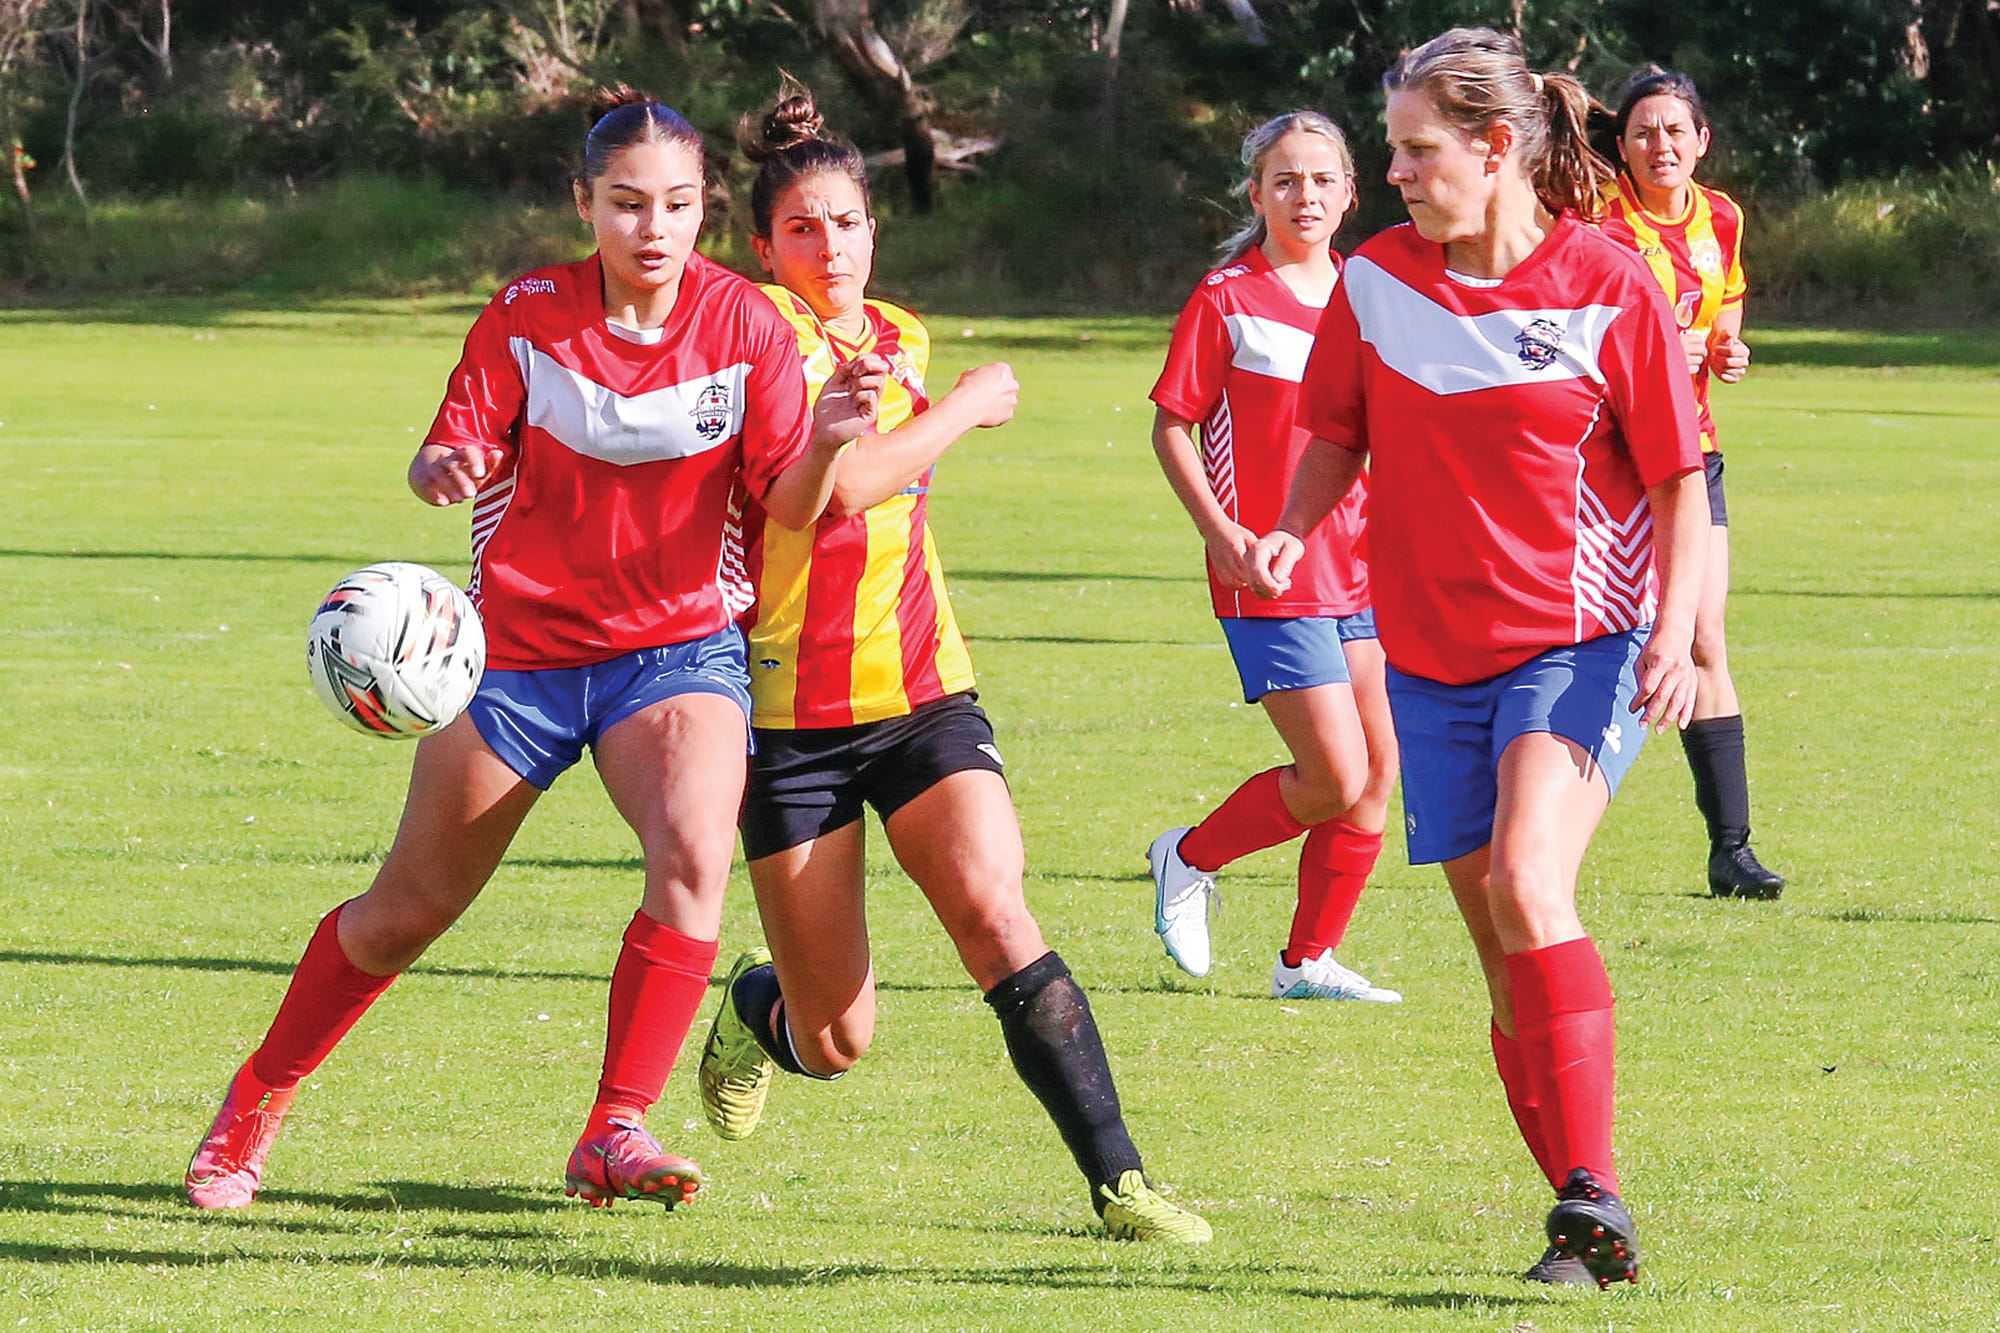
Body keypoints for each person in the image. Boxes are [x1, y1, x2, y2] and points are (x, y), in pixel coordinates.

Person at [184, 89, 883, 1212]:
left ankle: (616, 1127)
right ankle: (257, 1097)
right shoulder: (526, 315)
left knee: (694, 854)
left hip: (678, 650)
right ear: (583, 203)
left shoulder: (745, 324)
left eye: (677, 204)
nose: (652, 227)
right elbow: (445, 448)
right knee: (405, 911)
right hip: (514, 657)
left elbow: (789, 504)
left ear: (704, 207)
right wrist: (441, 469)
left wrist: (833, 436)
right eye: (626, 203)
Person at [692, 80, 1211, 1244]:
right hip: (787, 719)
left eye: (846, 223)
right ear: (763, 248)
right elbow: (839, 495)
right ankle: (757, 1004)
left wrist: (939, 400)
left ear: (874, 230)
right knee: (836, 1039)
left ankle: (1120, 1183)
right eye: (801, 228)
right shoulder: (759, 335)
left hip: (921, 691)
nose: (829, 246)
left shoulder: (899, 334)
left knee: (993, 908)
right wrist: (968, 406)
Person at [1246, 28, 1709, 1287]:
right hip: (1427, 662)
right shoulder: (1374, 282)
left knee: (1524, 880)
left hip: (1578, 642)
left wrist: (1676, 634)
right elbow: (1334, 436)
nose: (1391, 174)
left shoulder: (1607, 283)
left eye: (1413, 150)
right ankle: (1584, 1215)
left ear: (1496, 145)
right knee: (1503, 968)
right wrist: (1288, 528)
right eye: (1391, 151)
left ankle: (1589, 1191)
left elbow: (1678, 480)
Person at [1144, 110, 1402, 1003]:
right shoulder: (1228, 297)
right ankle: (1187, 856)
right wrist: (1222, 534)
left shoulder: (1371, 294)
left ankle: (1305, 962)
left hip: (1361, 568)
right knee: (1333, 773)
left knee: (1376, 774)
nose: (1306, 195)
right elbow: (1171, 426)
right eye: (1286, 179)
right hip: (1268, 573)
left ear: (1350, 194)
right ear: (1256, 194)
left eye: (1323, 179)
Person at [1596, 69, 1784, 901]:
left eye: (1675, 129)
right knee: (1579, 636)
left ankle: (1731, 850)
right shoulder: (1597, 221)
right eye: (1643, 131)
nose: (1660, 144)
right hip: (1605, 459)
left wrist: (1728, 348)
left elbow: (1724, 309)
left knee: (1706, 636)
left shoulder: (1722, 217)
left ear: (1701, 140)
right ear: (1622, 146)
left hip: (1690, 454)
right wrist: (1663, 348)